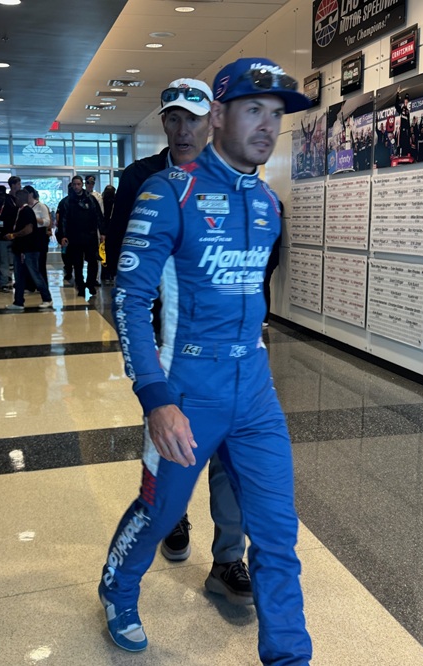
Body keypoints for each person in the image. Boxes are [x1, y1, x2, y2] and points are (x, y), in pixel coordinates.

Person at [99, 57, 312, 665]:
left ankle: (289, 655)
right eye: (253, 109)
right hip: (188, 386)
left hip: (255, 390)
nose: (267, 126)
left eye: (276, 114)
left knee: (277, 533)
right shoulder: (169, 192)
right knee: (159, 511)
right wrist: (156, 398)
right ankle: (117, 589)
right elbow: (130, 301)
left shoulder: (267, 202)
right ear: (217, 115)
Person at [105, 78, 252, 604]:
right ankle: (173, 516)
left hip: (226, 343)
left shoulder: (236, 176)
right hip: (168, 341)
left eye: (193, 118)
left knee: (231, 457)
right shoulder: (142, 178)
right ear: (164, 122)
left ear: (212, 120)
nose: (183, 129)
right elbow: (124, 260)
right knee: (172, 443)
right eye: (173, 118)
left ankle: (229, 560)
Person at [4, 189, 53, 311]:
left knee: (35, 274)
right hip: (21, 249)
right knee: (19, 276)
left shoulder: (27, 211)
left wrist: (14, 235)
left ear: (20, 198)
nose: (14, 200)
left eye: (16, 198)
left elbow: (29, 229)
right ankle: (18, 302)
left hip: (28, 249)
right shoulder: (20, 211)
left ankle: (47, 298)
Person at [59, 175, 104, 297]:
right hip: (75, 236)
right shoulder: (67, 201)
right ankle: (80, 286)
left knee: (93, 262)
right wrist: (63, 236)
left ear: (82, 185)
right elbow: (63, 220)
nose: (76, 187)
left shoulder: (91, 199)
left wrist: (102, 232)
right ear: (72, 185)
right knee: (77, 263)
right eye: (74, 184)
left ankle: (90, 283)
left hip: (90, 235)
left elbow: (98, 216)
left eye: (78, 184)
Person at [23, 185, 52, 285]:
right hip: (29, 235)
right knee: (29, 261)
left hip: (39, 236)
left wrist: (35, 219)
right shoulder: (25, 207)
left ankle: (42, 284)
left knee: (40, 261)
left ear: (31, 194)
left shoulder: (41, 206)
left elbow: (47, 222)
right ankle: (30, 283)